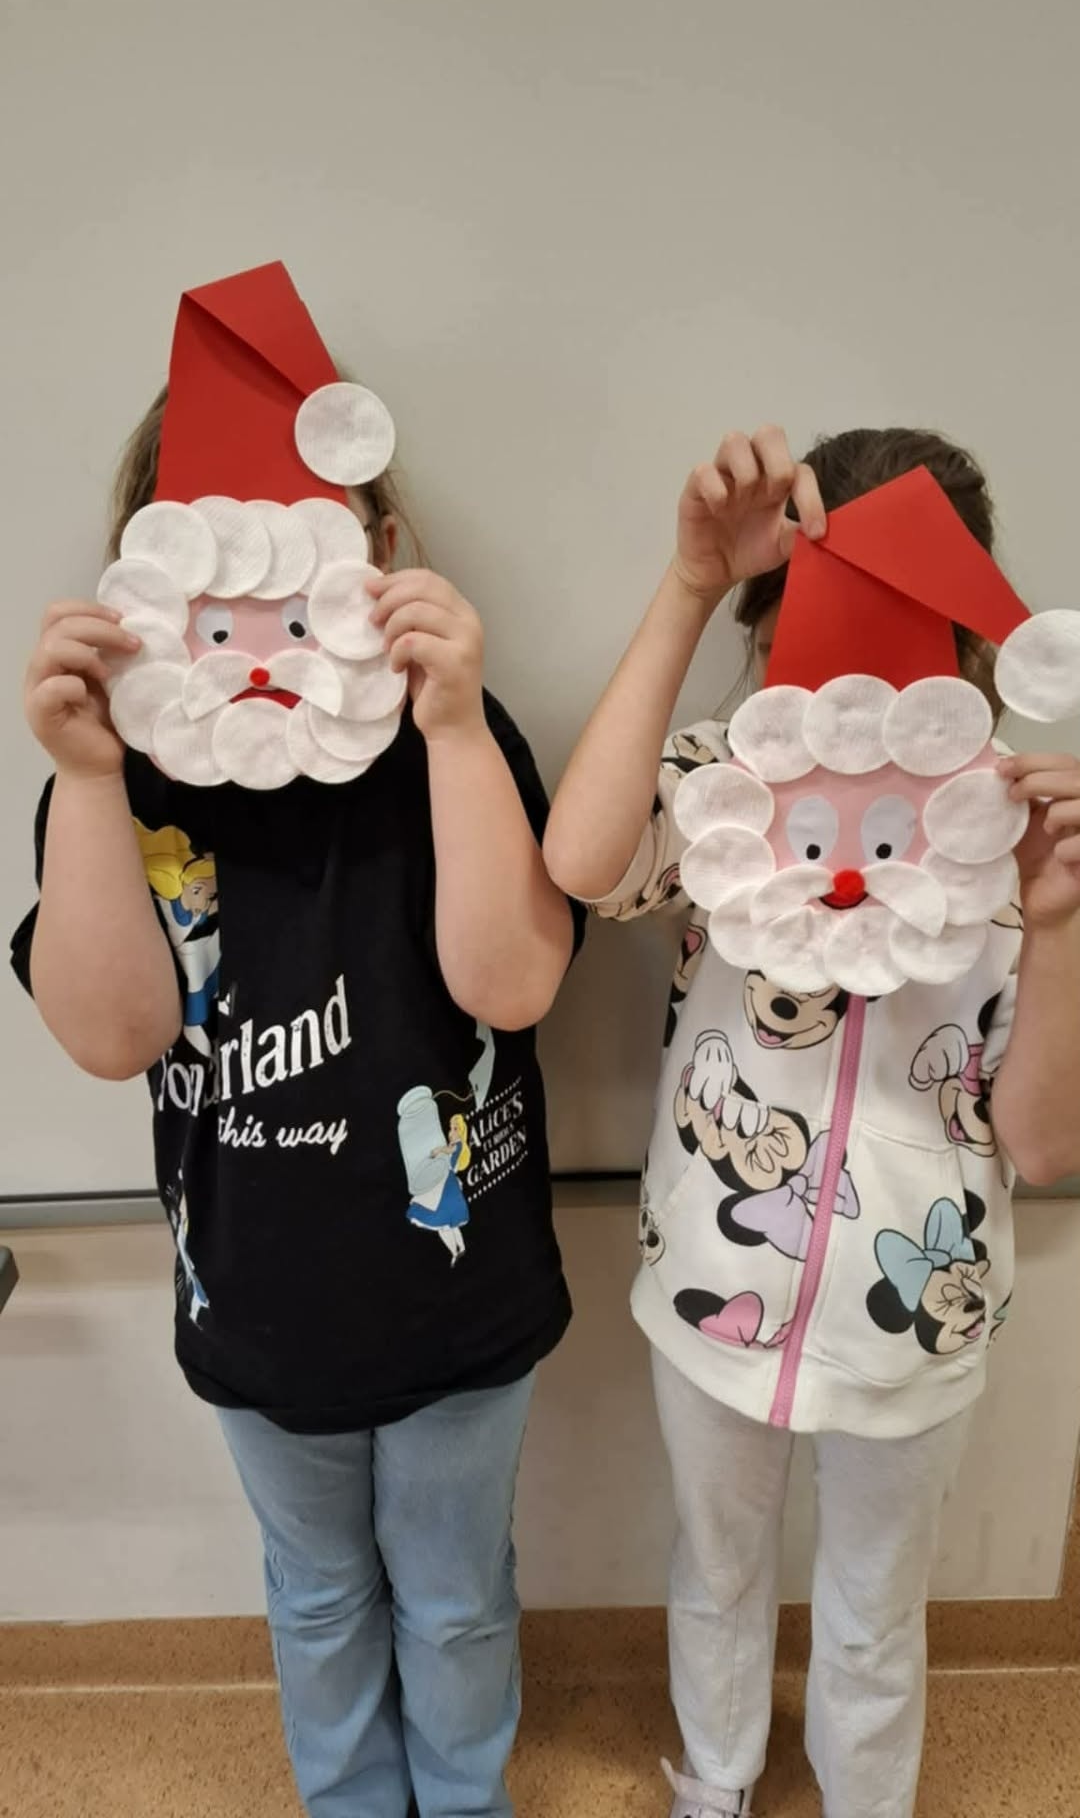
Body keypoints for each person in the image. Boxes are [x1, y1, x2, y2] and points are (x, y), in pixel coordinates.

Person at [11, 267, 581, 1818]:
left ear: (376, 555)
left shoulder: (455, 743)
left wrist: (454, 726)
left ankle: (462, 1799)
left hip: (460, 1301)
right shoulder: (122, 779)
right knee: (318, 1599)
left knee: (455, 1599)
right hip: (256, 1309)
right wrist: (85, 779)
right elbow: (113, 1033)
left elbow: (512, 984)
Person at [544, 424, 1080, 1818]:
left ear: (970, 639)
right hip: (715, 1287)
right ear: (774, 617)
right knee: (716, 1570)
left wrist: (1060, 923)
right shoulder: (726, 798)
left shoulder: (1017, 840)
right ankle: (714, 1781)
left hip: (917, 1323)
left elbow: (1044, 1146)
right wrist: (689, 585)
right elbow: (584, 862)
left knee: (873, 1614)